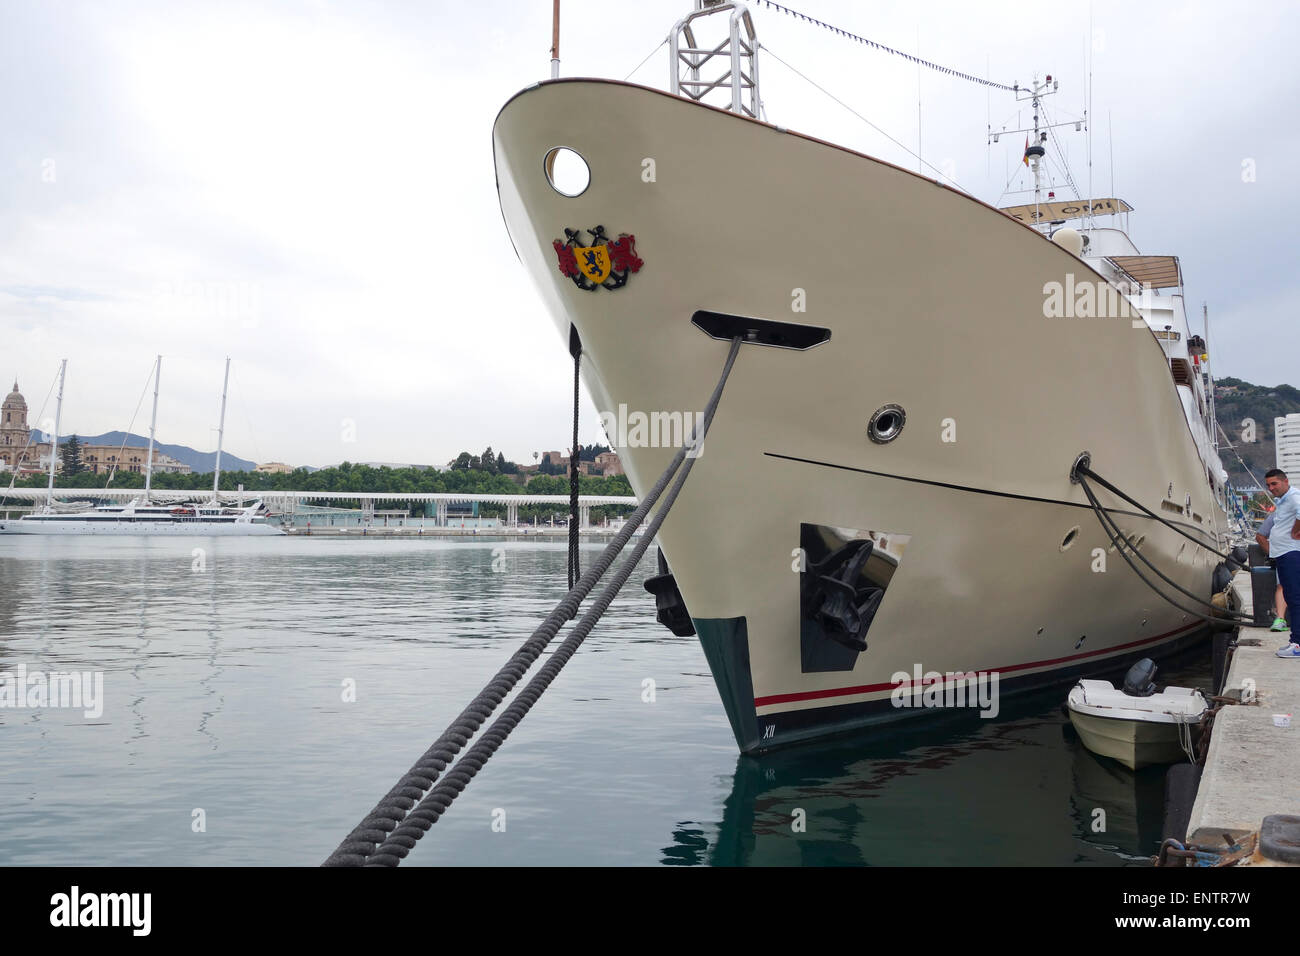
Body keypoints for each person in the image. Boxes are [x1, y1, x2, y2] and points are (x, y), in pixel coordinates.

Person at [1265, 469, 1300, 657]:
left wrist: (1296, 531)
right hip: (1284, 554)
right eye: (1268, 485)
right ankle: (1295, 641)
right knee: (1292, 596)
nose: (1271, 488)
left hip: (1291, 553)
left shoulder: (1294, 496)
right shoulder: (1284, 500)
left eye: (1274, 484)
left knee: (1295, 598)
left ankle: (1298, 645)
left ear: (1285, 481)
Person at [1256, 512, 1289, 631]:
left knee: (1283, 586)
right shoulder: (1277, 514)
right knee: (1282, 586)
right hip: (1286, 555)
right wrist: (1272, 553)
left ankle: (1280, 619)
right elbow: (1260, 536)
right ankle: (1280, 618)